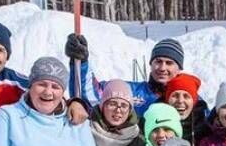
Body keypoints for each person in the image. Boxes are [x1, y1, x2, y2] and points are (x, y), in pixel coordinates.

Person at [66, 35, 206, 117]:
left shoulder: (188, 98)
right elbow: (94, 94)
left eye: (169, 63)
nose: (162, 68)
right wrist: (81, 62)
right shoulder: (131, 90)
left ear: (179, 68)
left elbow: (213, 121)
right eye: (158, 62)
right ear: (151, 64)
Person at [90, 80, 144, 146]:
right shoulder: (86, 130)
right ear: (102, 106)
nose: (118, 110)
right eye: (112, 104)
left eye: (124, 106)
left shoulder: (139, 138)